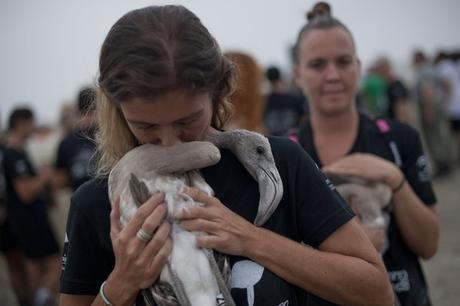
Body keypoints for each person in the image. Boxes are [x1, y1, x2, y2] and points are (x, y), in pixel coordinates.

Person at [59, 5, 394, 306]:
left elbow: (376, 290)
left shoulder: (276, 164)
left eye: (186, 120)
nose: (169, 141)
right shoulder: (96, 203)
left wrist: (250, 239)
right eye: (145, 125)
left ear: (218, 91)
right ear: (117, 110)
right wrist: (121, 284)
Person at [292, 11, 439, 306]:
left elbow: (429, 244)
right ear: (298, 75)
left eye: (343, 62)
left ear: (358, 67)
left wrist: (393, 179)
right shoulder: (285, 153)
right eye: (318, 65)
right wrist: (352, 251)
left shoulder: (399, 138)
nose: (332, 75)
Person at [3, 107, 61, 306]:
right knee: (55, 263)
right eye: (31, 122)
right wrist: (43, 177)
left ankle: (37, 298)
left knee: (36, 268)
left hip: (30, 219)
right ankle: (41, 299)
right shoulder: (12, 155)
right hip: (29, 220)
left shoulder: (19, 152)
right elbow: (25, 193)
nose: (34, 127)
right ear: (20, 124)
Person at [412, 50, 452, 176]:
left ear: (418, 59)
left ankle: (442, 166)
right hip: (435, 105)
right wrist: (444, 100)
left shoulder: (423, 71)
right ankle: (445, 164)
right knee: (439, 135)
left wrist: (429, 109)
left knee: (433, 137)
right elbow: (447, 84)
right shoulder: (432, 69)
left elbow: (426, 91)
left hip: (428, 107)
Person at [55, 87, 97, 191]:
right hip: (111, 201)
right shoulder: (110, 136)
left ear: (77, 109)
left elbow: (60, 181)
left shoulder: (65, 142)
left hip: (80, 200)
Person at [263, 66, 308, 136]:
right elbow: (304, 119)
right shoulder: (295, 98)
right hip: (293, 140)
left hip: (271, 142)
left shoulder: (264, 101)